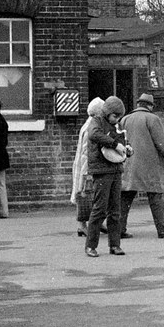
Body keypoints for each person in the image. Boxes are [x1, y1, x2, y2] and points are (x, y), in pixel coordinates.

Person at [119, 93, 164, 238]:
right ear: (150, 106)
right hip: (150, 166)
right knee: (155, 197)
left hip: (130, 165)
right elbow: (162, 144)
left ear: (138, 105)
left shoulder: (125, 119)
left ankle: (119, 229)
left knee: (125, 197)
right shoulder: (153, 119)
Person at [84, 95, 132, 257]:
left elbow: (122, 142)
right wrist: (115, 144)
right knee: (99, 209)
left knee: (115, 210)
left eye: (119, 117)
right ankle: (91, 246)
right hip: (102, 170)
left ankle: (115, 245)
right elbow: (94, 135)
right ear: (107, 112)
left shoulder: (115, 124)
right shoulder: (96, 121)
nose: (116, 120)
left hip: (115, 169)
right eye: (115, 116)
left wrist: (127, 149)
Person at [71, 97, 105, 237]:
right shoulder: (92, 126)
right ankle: (82, 225)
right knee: (85, 194)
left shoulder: (87, 124)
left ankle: (91, 223)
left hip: (83, 164)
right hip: (86, 165)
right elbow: (87, 151)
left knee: (85, 194)